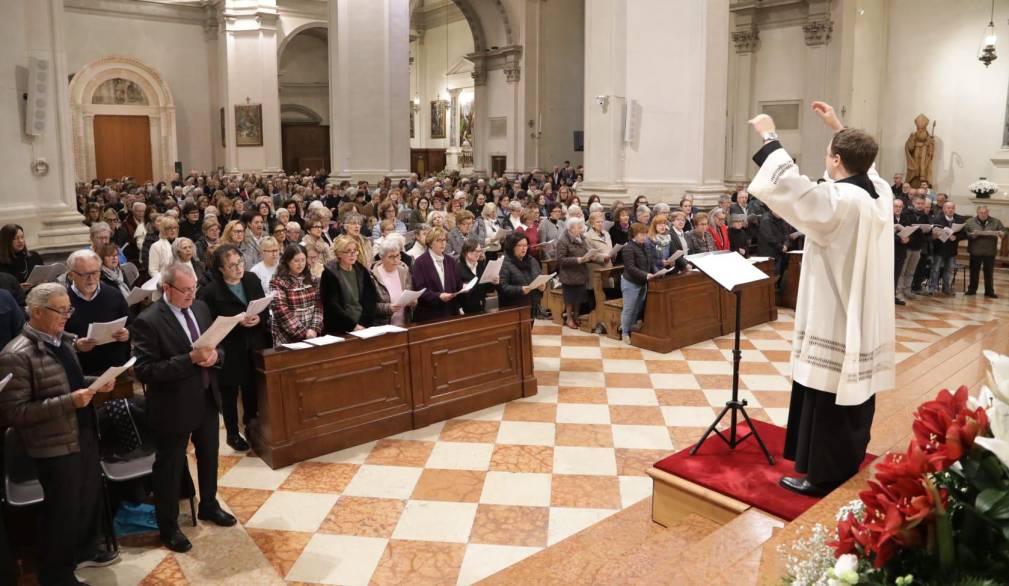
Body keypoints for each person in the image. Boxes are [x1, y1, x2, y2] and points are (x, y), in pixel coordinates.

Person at [747, 101, 894, 497]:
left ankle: (821, 476)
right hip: (860, 315)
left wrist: (769, 137)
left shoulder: (839, 201)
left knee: (827, 392)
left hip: (835, 312)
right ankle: (844, 463)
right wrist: (838, 126)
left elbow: (792, 190)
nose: (825, 160)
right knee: (850, 395)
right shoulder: (878, 195)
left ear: (836, 159)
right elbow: (866, 167)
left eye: (830, 152)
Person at [0, 283, 118, 585]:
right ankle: (57, 575)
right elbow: (15, 413)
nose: (67, 315)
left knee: (84, 501)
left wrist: (96, 382)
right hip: (53, 445)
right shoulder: (16, 354)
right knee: (61, 513)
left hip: (81, 431)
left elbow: (69, 381)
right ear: (37, 312)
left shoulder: (59, 340)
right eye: (61, 310)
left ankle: (81, 553)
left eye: (69, 309)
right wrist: (70, 401)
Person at [131, 263, 237, 553]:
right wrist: (189, 359)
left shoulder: (201, 308)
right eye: (185, 290)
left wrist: (216, 356)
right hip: (172, 405)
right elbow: (145, 371)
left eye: (194, 288)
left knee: (209, 456)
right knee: (170, 466)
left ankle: (209, 505)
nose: (191, 294)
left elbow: (217, 346)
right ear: (167, 288)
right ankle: (169, 526)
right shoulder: (148, 320)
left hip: (205, 396)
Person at [197, 245, 270, 451]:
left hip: (254, 343)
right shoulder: (210, 292)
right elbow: (207, 323)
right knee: (229, 391)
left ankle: (251, 424)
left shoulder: (251, 279)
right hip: (229, 348)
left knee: (251, 387)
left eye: (240, 263)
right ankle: (231, 432)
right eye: (231, 266)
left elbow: (263, 308)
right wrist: (234, 322)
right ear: (220, 269)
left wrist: (258, 319)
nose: (238, 268)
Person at [63, 250, 131, 376]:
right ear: (71, 275)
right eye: (85, 274)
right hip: (82, 372)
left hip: (115, 369)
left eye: (95, 272)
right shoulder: (62, 301)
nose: (91, 279)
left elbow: (131, 324)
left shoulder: (113, 294)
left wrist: (127, 334)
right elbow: (54, 337)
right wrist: (75, 346)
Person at [320, 235, 379, 332]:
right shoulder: (329, 273)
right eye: (348, 251)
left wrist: (363, 323)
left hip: (363, 325)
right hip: (341, 327)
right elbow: (331, 305)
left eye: (355, 250)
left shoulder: (361, 270)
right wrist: (352, 326)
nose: (352, 254)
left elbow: (370, 299)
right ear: (338, 253)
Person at [269, 244, 324, 345]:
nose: (300, 264)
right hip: (288, 335)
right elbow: (281, 311)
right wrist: (304, 332)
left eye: (303, 260)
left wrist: (314, 328)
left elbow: (318, 305)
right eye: (296, 260)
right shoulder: (278, 282)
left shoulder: (313, 280)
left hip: (312, 333)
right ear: (288, 261)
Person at [411, 226, 463, 322]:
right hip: (430, 314)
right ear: (430, 243)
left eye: (444, 240)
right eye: (438, 240)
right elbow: (419, 289)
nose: (443, 243)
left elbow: (457, 284)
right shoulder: (420, 262)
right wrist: (438, 296)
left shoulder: (451, 261)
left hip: (450, 312)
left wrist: (464, 288)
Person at [620, 223, 655, 344]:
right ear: (634, 235)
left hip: (642, 282)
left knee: (638, 307)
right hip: (630, 282)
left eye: (646, 234)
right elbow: (630, 268)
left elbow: (650, 262)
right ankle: (624, 333)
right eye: (642, 234)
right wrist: (646, 275)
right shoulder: (628, 248)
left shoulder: (645, 246)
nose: (645, 236)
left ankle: (631, 329)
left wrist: (657, 273)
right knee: (629, 308)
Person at [498, 232, 546, 316]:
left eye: (526, 245)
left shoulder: (532, 260)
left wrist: (543, 286)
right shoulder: (504, 263)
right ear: (512, 247)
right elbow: (502, 287)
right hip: (514, 309)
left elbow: (540, 277)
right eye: (520, 245)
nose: (524, 248)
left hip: (533, 306)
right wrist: (520, 290)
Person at [964, 205, 1005, 298]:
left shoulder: (996, 221)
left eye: (985, 212)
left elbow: (1004, 231)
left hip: (989, 251)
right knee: (974, 271)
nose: (983, 214)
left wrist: (1002, 233)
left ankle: (989, 291)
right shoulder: (970, 221)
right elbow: (964, 233)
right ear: (977, 213)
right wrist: (971, 235)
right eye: (981, 213)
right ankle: (972, 289)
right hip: (975, 251)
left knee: (989, 272)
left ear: (988, 212)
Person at [372, 240, 414, 326]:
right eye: (391, 257)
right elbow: (370, 306)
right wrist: (388, 308)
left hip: (405, 323)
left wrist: (413, 302)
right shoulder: (372, 276)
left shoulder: (404, 271)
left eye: (397, 255)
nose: (395, 260)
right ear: (381, 257)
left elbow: (410, 292)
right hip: (383, 326)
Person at [928, 201, 965, 297]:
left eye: (952, 208)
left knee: (948, 270)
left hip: (951, 249)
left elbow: (964, 233)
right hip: (939, 248)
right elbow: (933, 232)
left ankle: (946, 288)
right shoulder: (937, 219)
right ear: (944, 209)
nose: (950, 210)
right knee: (935, 269)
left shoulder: (959, 219)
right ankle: (932, 288)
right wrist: (942, 234)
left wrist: (956, 237)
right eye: (948, 208)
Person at [456, 238, 497, 315]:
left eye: (479, 251)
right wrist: (459, 308)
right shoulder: (458, 268)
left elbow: (486, 289)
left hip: (481, 307)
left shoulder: (480, 265)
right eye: (475, 251)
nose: (478, 254)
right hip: (465, 310)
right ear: (466, 252)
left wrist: (493, 282)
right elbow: (455, 291)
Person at [0, 224, 43, 289]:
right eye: (16, 238)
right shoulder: (2, 263)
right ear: (6, 241)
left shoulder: (34, 256)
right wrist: (18, 288)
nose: (21, 241)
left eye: (22, 237)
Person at [892, 199, 910, 306]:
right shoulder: (888, 218)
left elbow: (910, 231)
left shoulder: (905, 218)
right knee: (889, 275)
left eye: (900, 207)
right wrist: (900, 239)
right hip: (891, 250)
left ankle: (893, 296)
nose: (898, 208)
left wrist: (909, 239)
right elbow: (887, 233)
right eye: (896, 206)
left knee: (897, 274)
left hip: (901, 251)